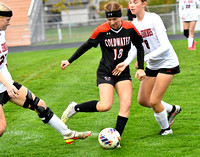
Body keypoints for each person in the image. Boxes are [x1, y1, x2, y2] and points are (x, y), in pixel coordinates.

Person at [0, 3, 91, 144]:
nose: (10, 23)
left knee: (39, 105)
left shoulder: (2, 32)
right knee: (1, 127)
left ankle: (67, 133)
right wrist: (6, 83)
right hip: (6, 85)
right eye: (7, 20)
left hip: (6, 85)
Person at [60, 1, 145, 144]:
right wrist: (69, 60)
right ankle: (75, 107)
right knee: (105, 105)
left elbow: (139, 47)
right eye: (109, 19)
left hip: (122, 72)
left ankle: (116, 139)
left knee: (126, 105)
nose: (112, 22)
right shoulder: (101, 30)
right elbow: (87, 45)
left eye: (115, 19)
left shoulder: (130, 28)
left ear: (120, 17)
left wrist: (141, 67)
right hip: (105, 71)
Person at [113, 0, 182, 135]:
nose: (131, 5)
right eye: (130, 2)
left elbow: (165, 46)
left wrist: (144, 59)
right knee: (143, 100)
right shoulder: (133, 25)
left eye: (135, 2)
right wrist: (126, 62)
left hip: (167, 62)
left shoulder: (154, 18)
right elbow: (134, 49)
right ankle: (172, 109)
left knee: (154, 101)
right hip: (152, 64)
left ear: (144, 3)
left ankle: (166, 129)